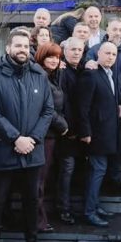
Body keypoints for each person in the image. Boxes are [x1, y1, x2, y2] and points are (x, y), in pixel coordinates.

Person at [0, 28, 54, 242]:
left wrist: (32, 139)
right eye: (18, 46)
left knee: (32, 203)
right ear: (8, 48)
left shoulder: (39, 74)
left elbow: (48, 110)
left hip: (32, 152)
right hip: (3, 151)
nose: (23, 50)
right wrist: (15, 138)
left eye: (26, 46)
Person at [86, 19, 121, 191]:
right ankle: (98, 184)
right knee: (100, 150)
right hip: (100, 114)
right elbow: (86, 74)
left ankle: (114, 180)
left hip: (120, 111)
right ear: (107, 30)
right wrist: (87, 63)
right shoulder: (95, 50)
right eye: (114, 29)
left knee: (117, 147)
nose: (118, 32)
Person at [77, 42, 119, 227]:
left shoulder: (109, 74)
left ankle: (94, 206)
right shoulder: (91, 74)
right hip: (95, 134)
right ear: (98, 54)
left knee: (99, 171)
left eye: (114, 54)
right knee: (97, 171)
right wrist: (85, 131)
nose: (110, 57)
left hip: (107, 132)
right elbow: (83, 107)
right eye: (107, 53)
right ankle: (89, 212)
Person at [34, 44, 69, 234]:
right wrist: (62, 125)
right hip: (45, 135)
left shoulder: (51, 75)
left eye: (57, 57)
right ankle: (38, 221)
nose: (54, 60)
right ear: (41, 57)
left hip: (51, 134)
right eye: (50, 57)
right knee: (39, 181)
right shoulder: (40, 76)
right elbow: (45, 107)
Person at [55, 37, 86, 225]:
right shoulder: (61, 72)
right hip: (65, 130)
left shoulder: (82, 70)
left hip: (80, 130)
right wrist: (67, 128)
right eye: (73, 49)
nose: (76, 53)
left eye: (79, 50)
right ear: (64, 51)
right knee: (66, 169)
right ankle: (63, 209)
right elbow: (61, 104)